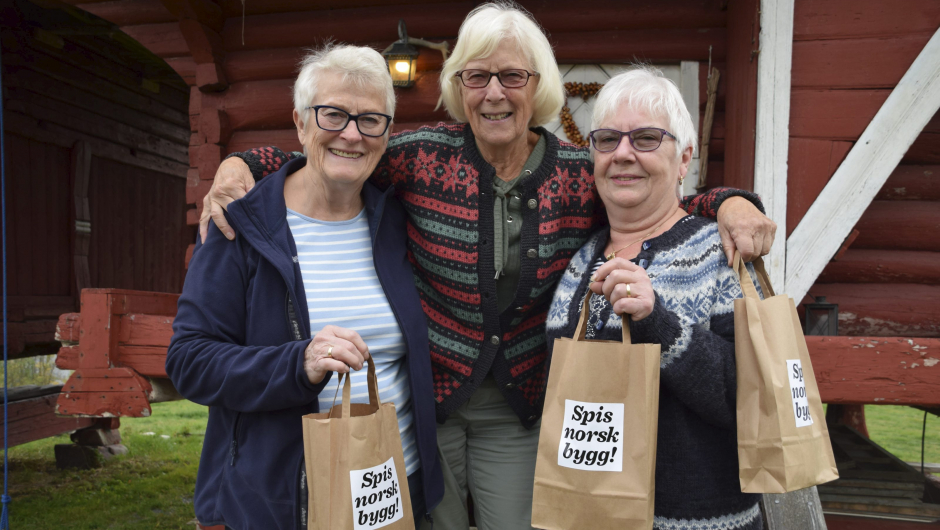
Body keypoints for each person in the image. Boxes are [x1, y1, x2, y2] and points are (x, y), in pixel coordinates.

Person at [199, 4, 775, 529]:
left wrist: (727, 202)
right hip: (432, 402)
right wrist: (240, 163)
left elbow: (647, 187)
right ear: (458, 87)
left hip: (519, 410)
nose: (493, 93)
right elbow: (334, 153)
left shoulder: (578, 170)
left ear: (538, 86)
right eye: (477, 76)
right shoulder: (420, 157)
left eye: (512, 77)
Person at [166, 44, 443, 530]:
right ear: (299, 123)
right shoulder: (241, 226)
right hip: (280, 501)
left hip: (389, 491)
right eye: (333, 115)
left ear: (386, 133)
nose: (352, 135)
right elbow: (189, 360)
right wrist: (299, 363)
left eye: (371, 119)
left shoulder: (397, 219)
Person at [546, 66, 763, 530]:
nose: (623, 153)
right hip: (587, 515)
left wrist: (658, 321)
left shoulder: (719, 254)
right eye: (607, 139)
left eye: (645, 138)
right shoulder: (581, 258)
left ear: (684, 160)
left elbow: (755, 401)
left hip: (697, 523)